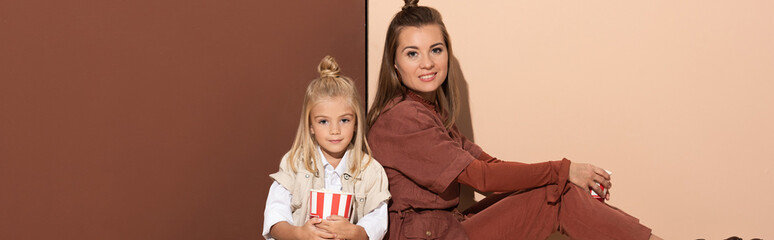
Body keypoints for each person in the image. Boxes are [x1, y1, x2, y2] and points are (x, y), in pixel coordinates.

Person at [366, 1, 662, 239]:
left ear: (447, 53)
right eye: (412, 54)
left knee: (556, 190)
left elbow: (491, 167)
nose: (427, 63)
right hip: (431, 235)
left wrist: (563, 175)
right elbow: (483, 179)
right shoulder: (402, 118)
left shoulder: (428, 112)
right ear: (394, 63)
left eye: (436, 50)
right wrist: (565, 170)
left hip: (447, 228)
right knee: (556, 195)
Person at [263, 56, 391, 240]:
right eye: (323, 121)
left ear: (356, 122)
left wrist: (355, 232)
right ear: (311, 126)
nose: (335, 130)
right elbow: (275, 216)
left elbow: (377, 220)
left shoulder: (370, 170)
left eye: (344, 120)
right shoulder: (294, 164)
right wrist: (298, 234)